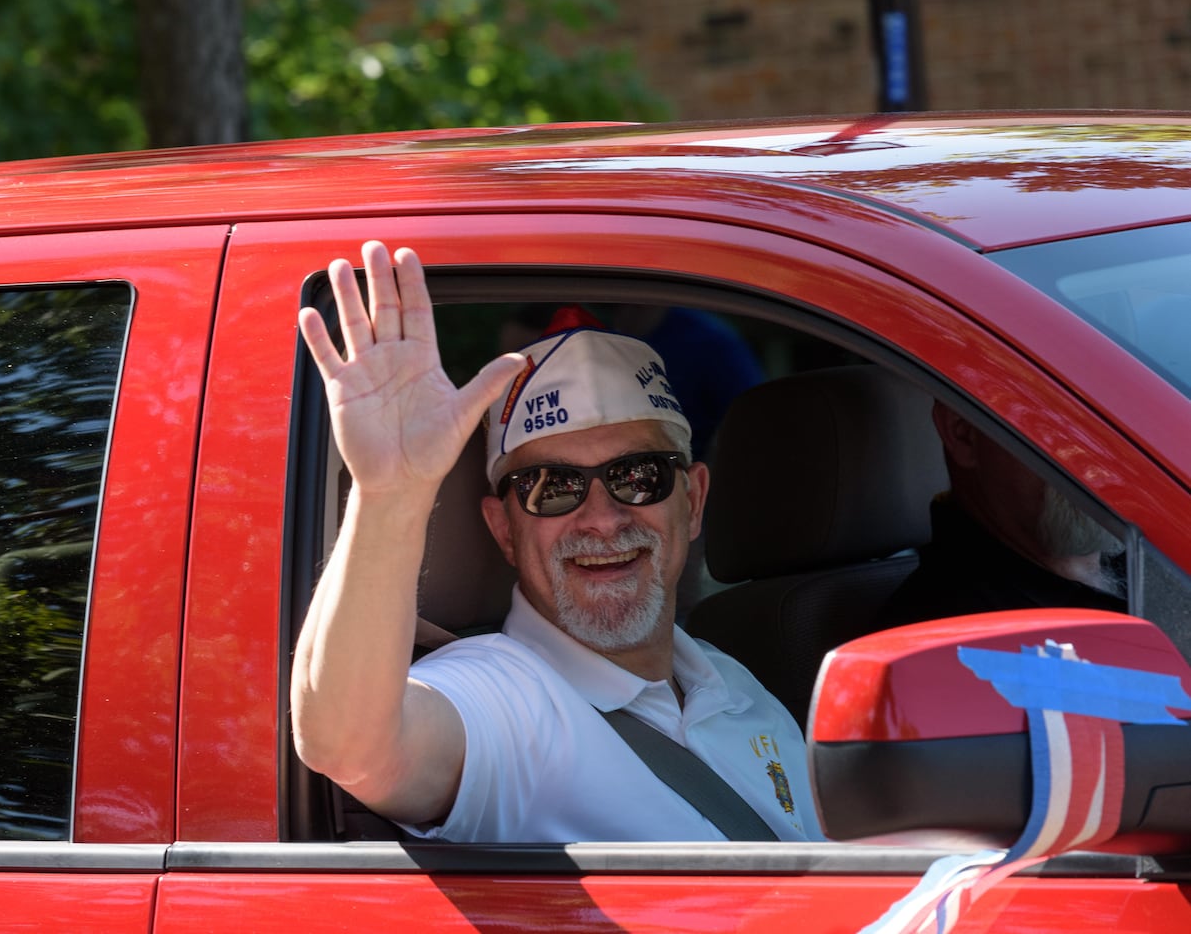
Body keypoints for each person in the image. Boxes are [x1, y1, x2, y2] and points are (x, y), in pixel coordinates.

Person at [291, 241, 820, 843]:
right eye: (552, 486)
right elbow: (351, 746)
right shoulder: (505, 698)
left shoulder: (736, 686)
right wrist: (391, 494)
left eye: (638, 475)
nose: (601, 518)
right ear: (503, 530)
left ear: (692, 501)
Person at [869, 401, 1126, 632]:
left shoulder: (1151, 566)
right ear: (963, 434)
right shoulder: (950, 644)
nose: (1096, 453)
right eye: (1059, 421)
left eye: (1112, 420)